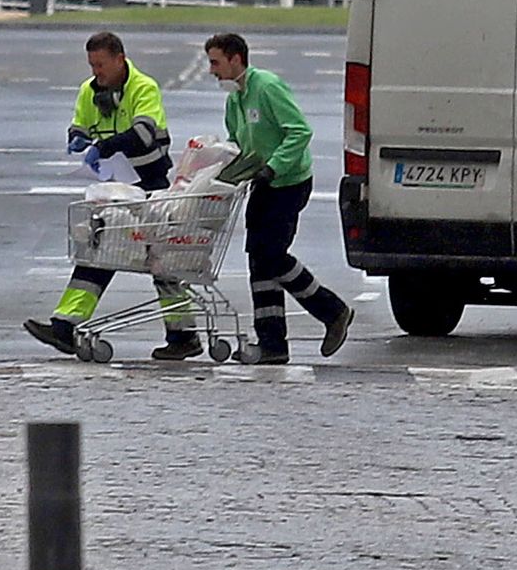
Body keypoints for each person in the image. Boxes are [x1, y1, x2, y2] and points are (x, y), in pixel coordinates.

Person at [26, 31, 202, 360]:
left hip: (150, 185)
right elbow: (79, 124)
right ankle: (68, 324)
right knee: (104, 248)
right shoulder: (88, 91)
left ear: (120, 59)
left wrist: (103, 147)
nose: (96, 72)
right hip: (115, 185)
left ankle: (182, 334)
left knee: (157, 258)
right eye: (92, 65)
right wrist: (77, 139)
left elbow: (144, 135)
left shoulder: (143, 88)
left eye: (101, 65)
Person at [205, 32, 354, 364]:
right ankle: (272, 344)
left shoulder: (267, 87)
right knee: (258, 260)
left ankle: (333, 311)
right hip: (262, 184)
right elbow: (237, 144)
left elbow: (299, 131)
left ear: (235, 59)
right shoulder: (234, 100)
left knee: (270, 254)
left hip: (288, 182)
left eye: (215, 62)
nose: (212, 70)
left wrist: (273, 168)